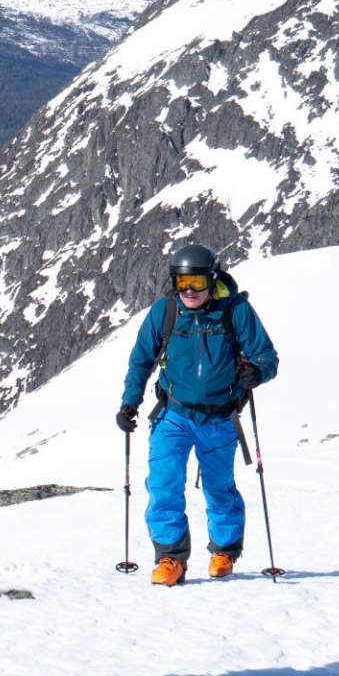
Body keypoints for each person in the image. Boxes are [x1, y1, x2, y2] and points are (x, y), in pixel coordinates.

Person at [115, 243, 278, 586]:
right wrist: (130, 402)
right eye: (182, 282)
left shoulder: (236, 311)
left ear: (212, 279)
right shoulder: (165, 311)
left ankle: (224, 550)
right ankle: (170, 558)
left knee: (219, 487)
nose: (189, 290)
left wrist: (258, 373)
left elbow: (266, 356)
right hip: (173, 414)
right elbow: (141, 359)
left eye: (198, 282)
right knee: (163, 483)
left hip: (220, 417)